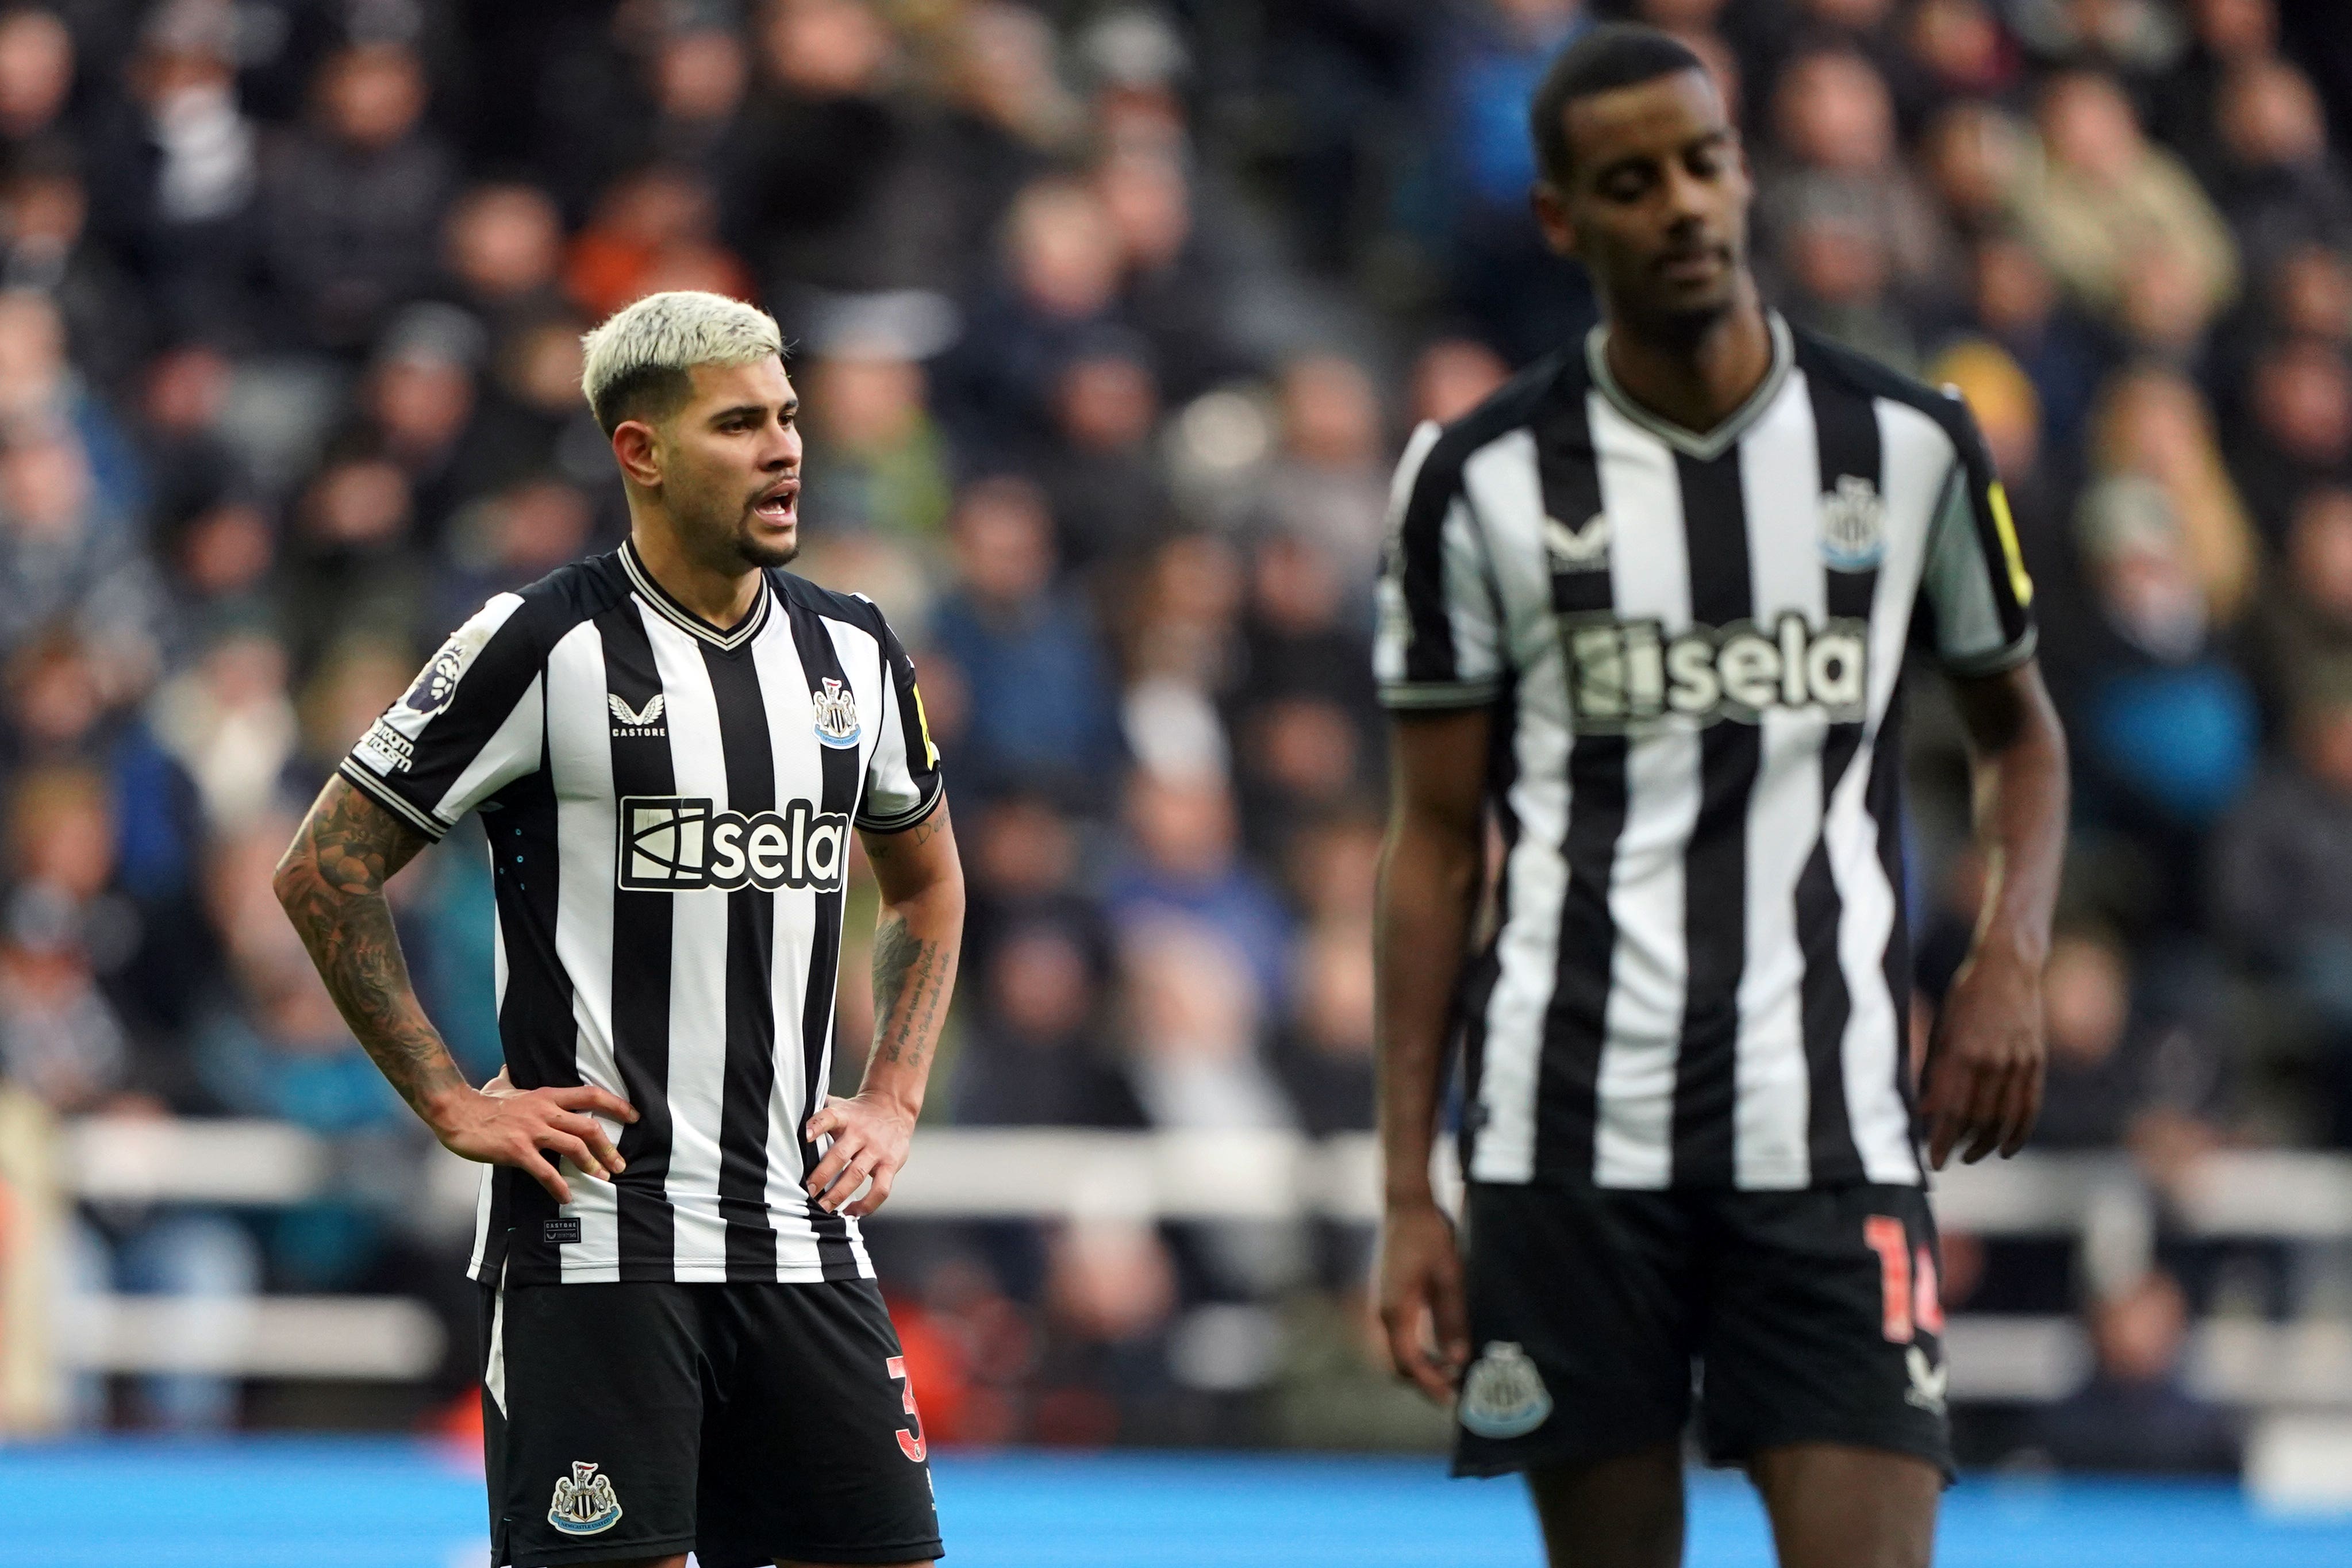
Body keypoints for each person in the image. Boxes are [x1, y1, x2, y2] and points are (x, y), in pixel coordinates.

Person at [1372, 27, 2067, 1568]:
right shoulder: (1473, 480)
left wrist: (2008, 950)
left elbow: (2017, 732)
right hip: (1565, 1142)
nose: (1679, 205)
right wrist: (1408, 1190)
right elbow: (1429, 848)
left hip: (1826, 1127)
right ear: (1562, 219)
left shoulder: (1906, 447)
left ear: (1743, 171)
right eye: (1630, 183)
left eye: (1700, 164)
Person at [271, 290, 963, 1568]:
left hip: (799, 1227)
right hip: (598, 1238)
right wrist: (449, 1100)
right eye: (740, 424)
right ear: (639, 450)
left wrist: (897, 1093)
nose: (786, 449)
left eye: (791, 418)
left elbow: (927, 883)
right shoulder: (537, 642)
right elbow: (325, 869)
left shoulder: (856, 653)